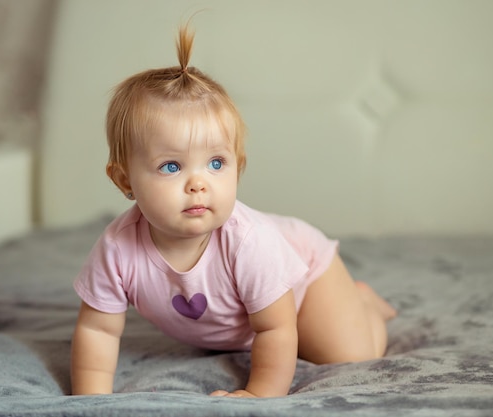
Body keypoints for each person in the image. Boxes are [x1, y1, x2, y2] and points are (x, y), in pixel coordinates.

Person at [70, 22, 396, 399]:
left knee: (346, 352)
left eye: (216, 163)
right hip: (243, 315)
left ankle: (365, 304)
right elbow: (98, 330)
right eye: (171, 166)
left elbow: (275, 329)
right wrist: (91, 400)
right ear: (125, 181)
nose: (198, 183)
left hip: (303, 278)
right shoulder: (117, 249)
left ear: (237, 166)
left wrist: (260, 394)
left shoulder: (248, 243)